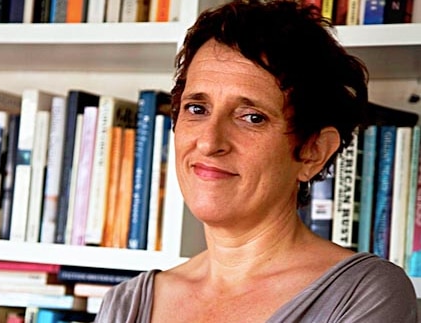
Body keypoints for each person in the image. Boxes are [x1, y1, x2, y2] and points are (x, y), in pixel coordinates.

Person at [95, 0, 418, 322]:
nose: (209, 142)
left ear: (314, 151)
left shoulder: (364, 293)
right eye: (197, 108)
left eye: (251, 117)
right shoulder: (125, 304)